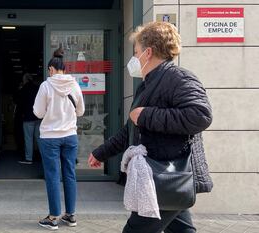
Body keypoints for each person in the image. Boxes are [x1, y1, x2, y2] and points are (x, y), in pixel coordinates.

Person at [88, 22, 212, 233]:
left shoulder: (178, 78)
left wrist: (147, 114)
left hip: (167, 174)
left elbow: (200, 116)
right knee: (181, 230)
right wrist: (101, 153)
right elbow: (131, 129)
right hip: (164, 176)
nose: (134, 58)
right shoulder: (147, 85)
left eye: (136, 52)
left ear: (148, 52)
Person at [33, 48, 85, 230]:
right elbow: (81, 111)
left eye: (49, 70)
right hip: (70, 136)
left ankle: (53, 217)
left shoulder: (46, 86)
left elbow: (38, 112)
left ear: (51, 69)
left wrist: (52, 113)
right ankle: (70, 216)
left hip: (50, 137)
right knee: (70, 174)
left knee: (53, 176)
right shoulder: (75, 85)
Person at [17, 73, 41, 164]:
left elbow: (19, 103)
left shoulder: (23, 89)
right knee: (39, 138)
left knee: (28, 138)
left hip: (28, 117)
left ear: (25, 80)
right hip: (38, 117)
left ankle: (29, 158)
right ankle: (43, 156)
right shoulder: (38, 88)